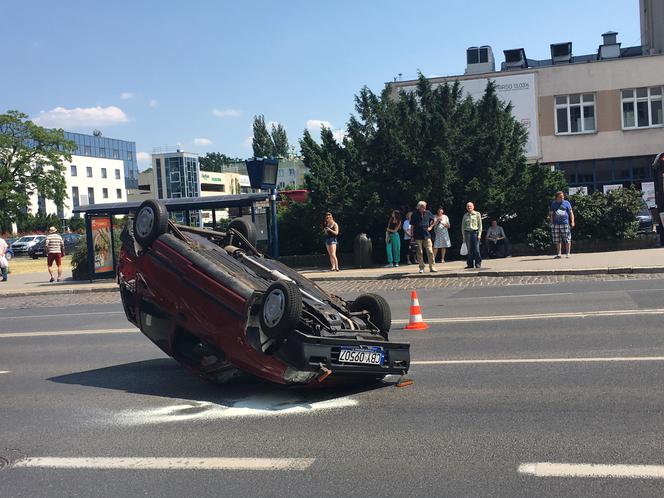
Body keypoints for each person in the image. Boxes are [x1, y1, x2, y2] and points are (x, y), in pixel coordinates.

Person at [411, 201, 436, 274]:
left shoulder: (428, 213)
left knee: (430, 251)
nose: (424, 208)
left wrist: (431, 227)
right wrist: (412, 236)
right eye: (423, 207)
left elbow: (434, 219)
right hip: (417, 235)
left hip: (426, 234)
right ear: (419, 207)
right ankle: (421, 267)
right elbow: (412, 225)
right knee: (419, 252)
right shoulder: (414, 214)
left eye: (425, 207)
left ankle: (432, 267)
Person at [549, 191, 575, 258]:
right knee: (557, 239)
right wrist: (551, 223)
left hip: (565, 223)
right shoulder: (553, 204)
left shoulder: (567, 203)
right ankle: (559, 254)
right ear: (557, 197)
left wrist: (572, 221)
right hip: (555, 224)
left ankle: (568, 253)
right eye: (560, 197)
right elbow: (551, 214)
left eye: (563, 196)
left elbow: (571, 213)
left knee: (567, 239)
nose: (562, 198)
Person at [462, 202, 483, 269]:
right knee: (469, 250)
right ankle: (470, 264)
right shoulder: (465, 215)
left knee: (476, 249)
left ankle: (478, 263)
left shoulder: (477, 214)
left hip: (475, 233)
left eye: (470, 206)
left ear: (473, 207)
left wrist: (479, 234)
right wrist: (463, 236)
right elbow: (463, 227)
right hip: (467, 233)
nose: (469, 208)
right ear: (466, 208)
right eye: (468, 206)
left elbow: (480, 225)